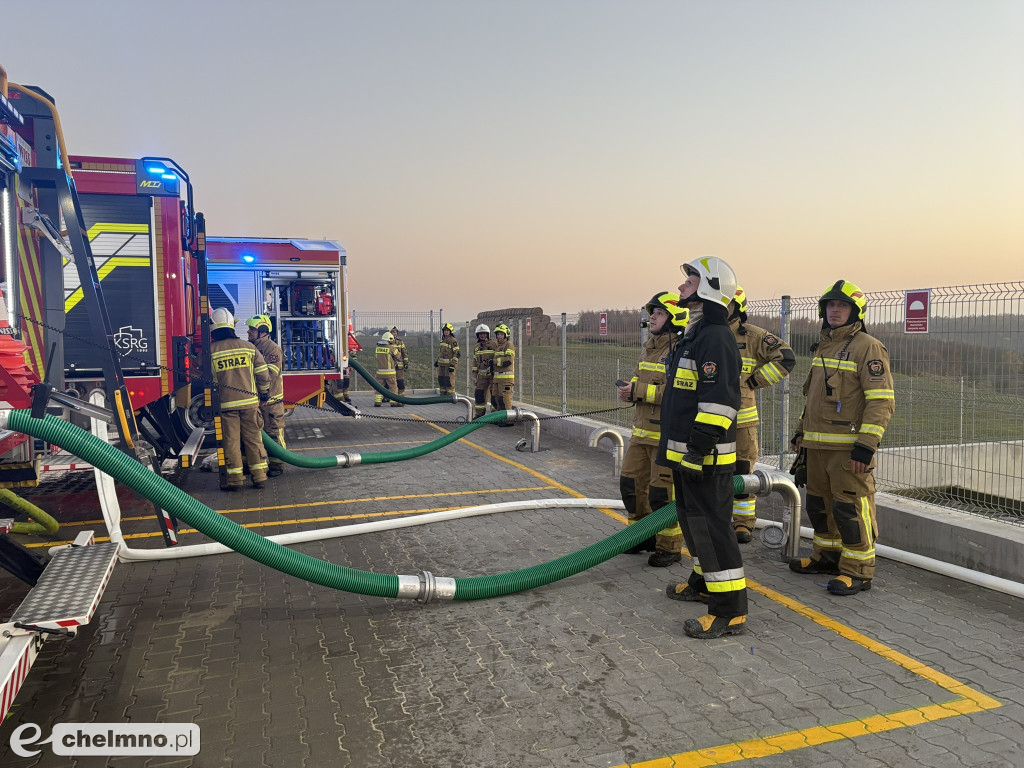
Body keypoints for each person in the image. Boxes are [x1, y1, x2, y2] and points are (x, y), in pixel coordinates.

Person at [658, 256, 746, 639]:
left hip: (704, 457)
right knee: (694, 525)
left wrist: (697, 450)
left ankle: (730, 611)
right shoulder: (694, 334)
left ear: (709, 287)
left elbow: (721, 402)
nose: (681, 286)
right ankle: (704, 583)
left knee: (712, 529)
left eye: (690, 281)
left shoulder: (715, 337)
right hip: (687, 455)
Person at [789, 280, 895, 596]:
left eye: (842, 305)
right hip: (817, 447)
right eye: (830, 305)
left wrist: (866, 446)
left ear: (855, 311)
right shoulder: (825, 345)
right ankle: (827, 557)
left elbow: (881, 400)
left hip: (848, 450)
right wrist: (801, 432)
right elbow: (814, 397)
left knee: (851, 510)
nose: (835, 310)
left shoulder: (868, 347)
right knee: (820, 507)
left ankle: (858, 571)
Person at [618, 292, 686, 567]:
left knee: (662, 494)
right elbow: (638, 378)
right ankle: (640, 537)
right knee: (631, 486)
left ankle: (669, 546)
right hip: (641, 433)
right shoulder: (649, 348)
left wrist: (638, 390)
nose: (652, 318)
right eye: (652, 313)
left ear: (674, 317)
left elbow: (679, 392)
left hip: (666, 438)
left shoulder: (681, 350)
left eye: (659, 313)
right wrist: (629, 390)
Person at [728, 286, 796, 543]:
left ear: (738, 308)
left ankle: (743, 524)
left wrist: (754, 381)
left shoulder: (754, 336)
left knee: (742, 472)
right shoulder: (701, 333)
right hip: (705, 418)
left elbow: (786, 358)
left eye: (727, 303)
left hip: (741, 420)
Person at [211, 308, 271, 491]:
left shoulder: (211, 351)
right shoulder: (248, 347)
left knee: (231, 443)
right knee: (254, 440)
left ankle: (235, 480)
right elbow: (263, 374)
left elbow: (198, 374)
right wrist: (264, 394)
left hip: (226, 406)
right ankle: (260, 477)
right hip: (250, 404)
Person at [247, 315, 287, 477]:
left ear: (262, 332)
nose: (248, 332)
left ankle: (277, 464)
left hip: (271, 400)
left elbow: (271, 374)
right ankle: (258, 464)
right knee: (255, 433)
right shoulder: (250, 347)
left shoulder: (272, 349)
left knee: (273, 431)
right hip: (256, 398)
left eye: (252, 329)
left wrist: (264, 394)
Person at [491, 323, 516, 426]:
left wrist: (495, 361)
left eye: (501, 334)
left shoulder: (509, 345)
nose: (499, 336)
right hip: (497, 378)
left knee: (505, 399)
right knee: (497, 399)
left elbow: (509, 360)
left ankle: (509, 420)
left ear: (506, 335)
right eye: (498, 334)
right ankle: (500, 418)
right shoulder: (497, 346)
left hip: (506, 379)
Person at [471, 324, 496, 419]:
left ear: (487, 334)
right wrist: (474, 375)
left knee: (494, 395)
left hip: (492, 375)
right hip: (481, 377)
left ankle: (495, 416)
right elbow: (475, 362)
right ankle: (479, 414)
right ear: (477, 335)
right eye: (480, 334)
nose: (482, 335)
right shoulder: (476, 347)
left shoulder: (494, 345)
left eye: (484, 334)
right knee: (479, 394)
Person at [374, 331, 404, 407]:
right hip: (390, 373)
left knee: (379, 387)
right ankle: (393, 402)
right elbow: (398, 356)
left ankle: (377, 402)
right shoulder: (391, 348)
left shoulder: (377, 348)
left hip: (380, 372)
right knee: (393, 387)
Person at [435, 322, 460, 396]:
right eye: (445, 330)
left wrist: (453, 365)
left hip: (449, 366)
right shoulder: (443, 340)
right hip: (442, 365)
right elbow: (441, 352)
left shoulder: (453, 341)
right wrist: (437, 361)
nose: (446, 332)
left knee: (449, 381)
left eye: (447, 330)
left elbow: (457, 353)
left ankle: (450, 396)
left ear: (450, 331)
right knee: (441, 380)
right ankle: (442, 395)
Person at [390, 326, 410, 395]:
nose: (394, 333)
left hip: (399, 367)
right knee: (390, 382)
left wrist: (406, 363)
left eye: (395, 332)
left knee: (400, 381)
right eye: (393, 332)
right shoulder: (387, 342)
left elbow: (404, 353)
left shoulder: (400, 342)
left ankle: (401, 395)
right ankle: (388, 396)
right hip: (390, 366)